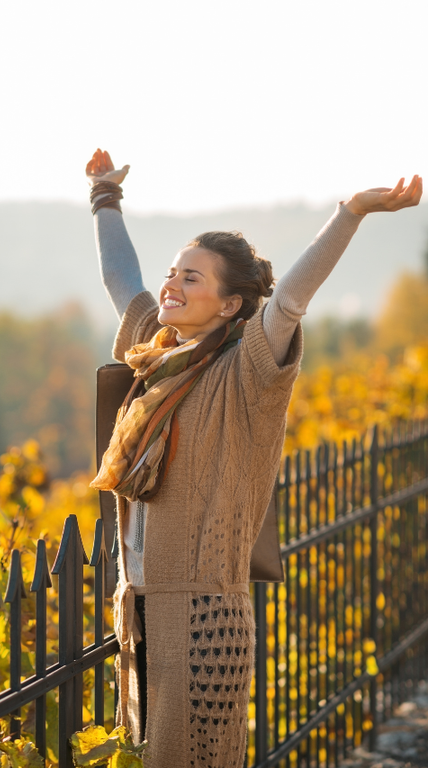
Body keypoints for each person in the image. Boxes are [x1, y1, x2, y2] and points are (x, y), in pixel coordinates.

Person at [86, 148, 422, 768]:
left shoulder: (246, 373)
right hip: (139, 617)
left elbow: (289, 301)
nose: (172, 285)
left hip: (200, 622)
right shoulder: (156, 357)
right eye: (174, 272)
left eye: (193, 278)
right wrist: (105, 196)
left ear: (232, 304)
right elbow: (120, 279)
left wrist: (351, 212)